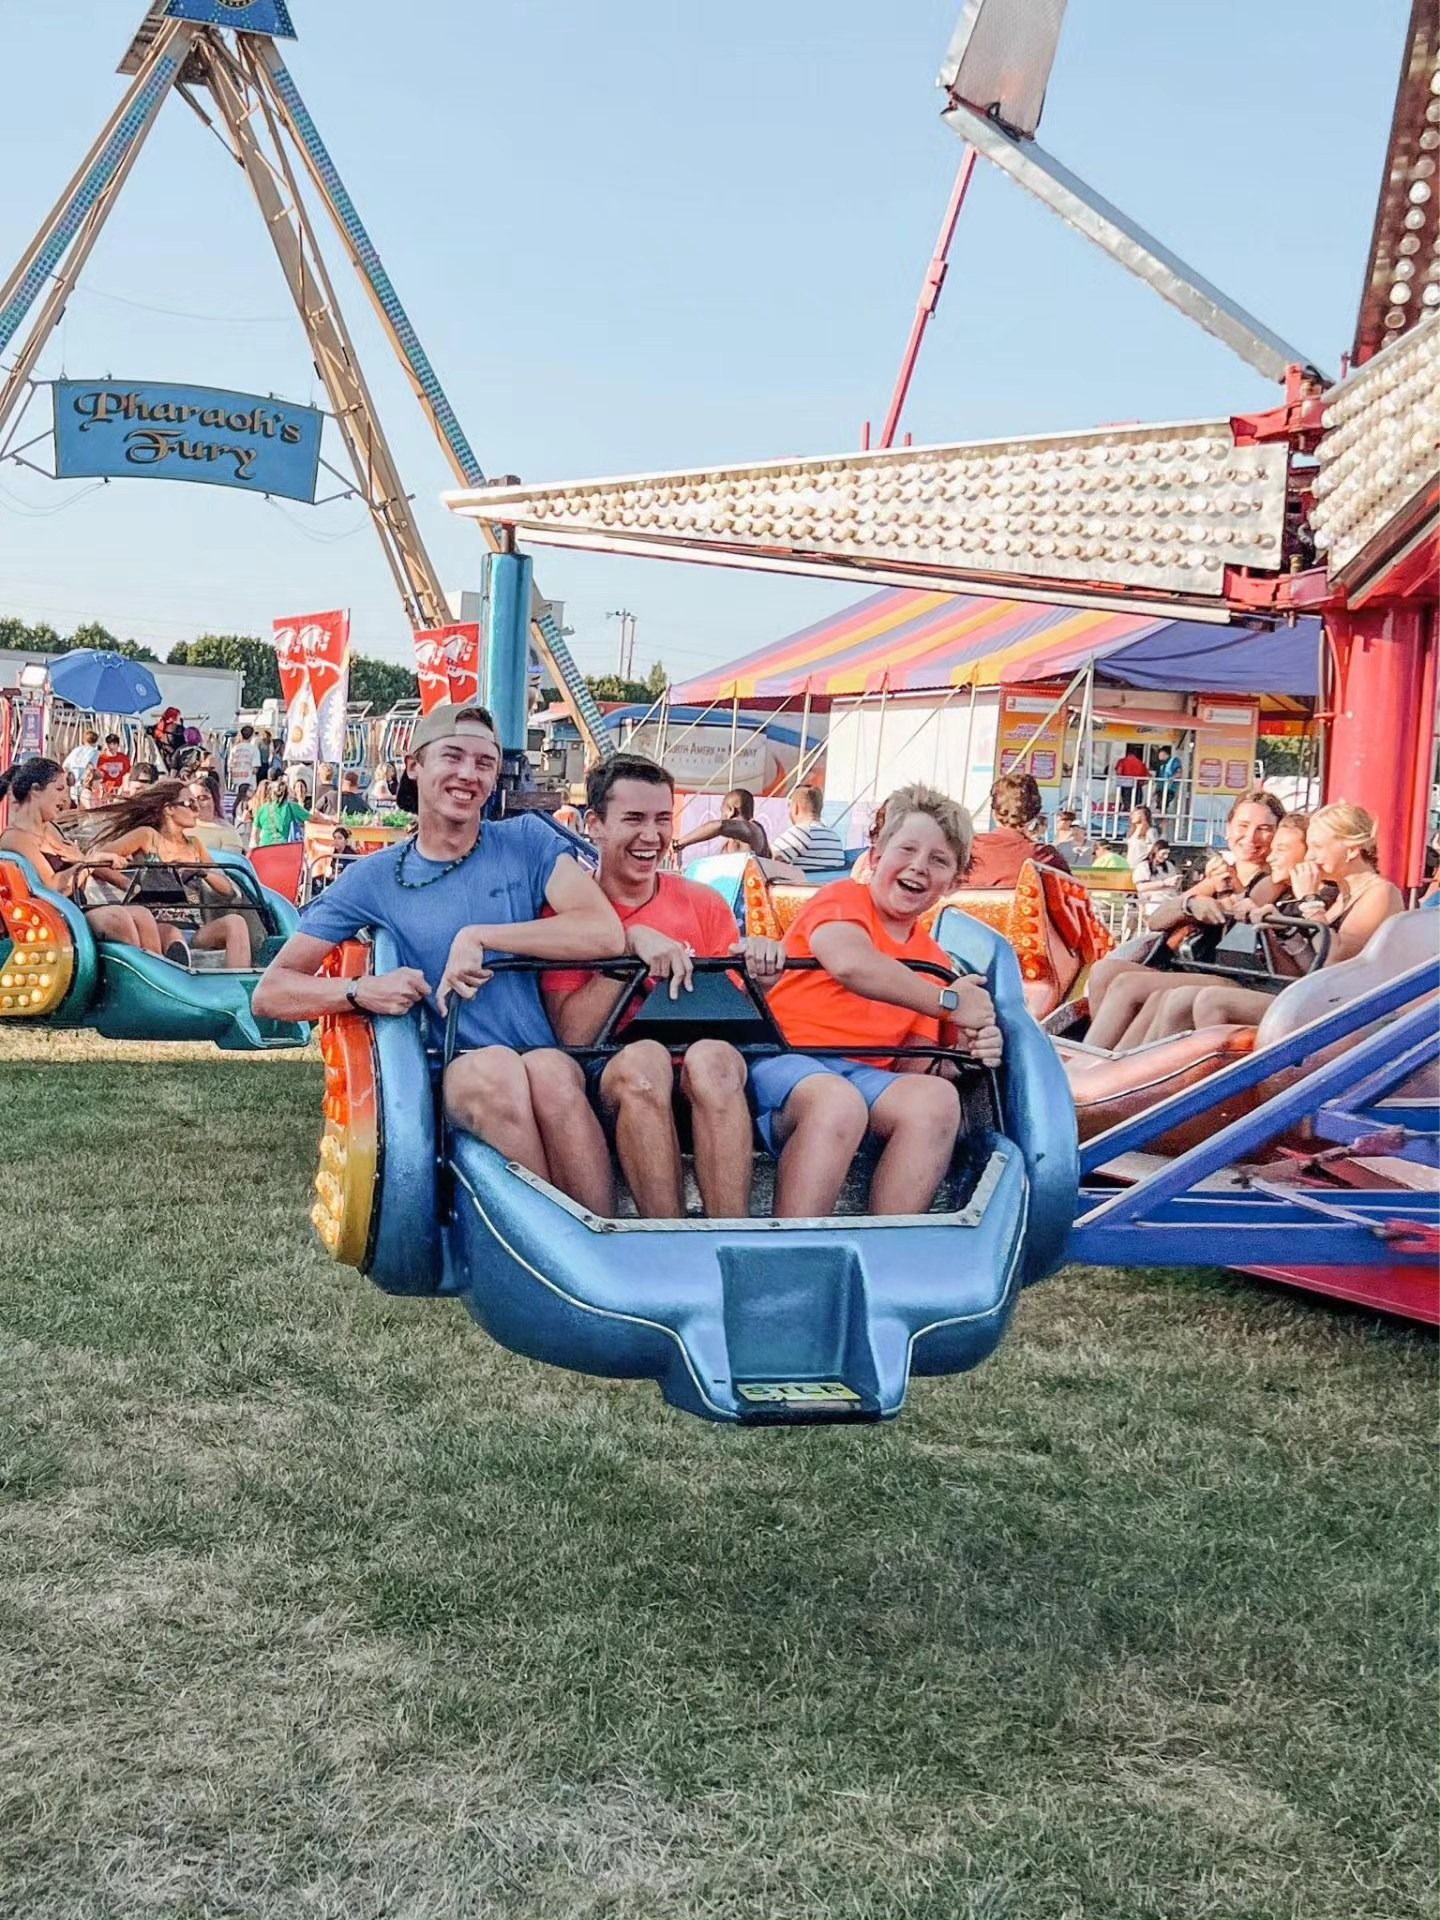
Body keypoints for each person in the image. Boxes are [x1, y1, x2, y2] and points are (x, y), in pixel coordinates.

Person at [252, 704, 625, 1211]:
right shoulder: (376, 876)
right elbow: (271, 993)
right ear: (414, 765)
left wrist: (480, 936)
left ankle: (599, 1245)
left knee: (553, 1075)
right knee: (498, 1075)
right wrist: (360, 992)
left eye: (484, 763)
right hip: (457, 1066)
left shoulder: (526, 840)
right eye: (453, 756)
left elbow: (603, 932)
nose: (468, 775)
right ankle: (558, 1248)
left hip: (546, 1059)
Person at [541, 754, 785, 1219]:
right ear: (595, 824)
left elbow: (733, 1016)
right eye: (633, 819)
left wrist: (762, 979)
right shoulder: (566, 915)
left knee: (712, 1058)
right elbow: (573, 1037)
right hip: (618, 1075)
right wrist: (625, 955)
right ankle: (664, 1237)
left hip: (706, 1074)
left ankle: (728, 1237)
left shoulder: (705, 903)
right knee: (644, 1060)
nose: (650, 837)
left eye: (662, 820)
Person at [753, 784, 1003, 1218]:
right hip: (785, 1058)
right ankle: (793, 1251)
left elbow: (912, 1065)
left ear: (953, 882)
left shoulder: (933, 959)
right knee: (835, 1100)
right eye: (906, 849)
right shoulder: (842, 899)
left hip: (862, 1078)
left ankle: (889, 1246)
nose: (919, 867)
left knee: (936, 1101)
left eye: (938, 860)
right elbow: (850, 962)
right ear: (876, 856)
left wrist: (967, 1050)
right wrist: (948, 1001)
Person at [1084, 789, 1285, 1050]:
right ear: (1228, 828)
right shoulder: (1220, 874)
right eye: (1243, 826)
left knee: (1128, 984)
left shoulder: (1274, 878)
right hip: (1198, 965)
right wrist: (1192, 903)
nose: (1251, 837)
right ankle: (1098, 1052)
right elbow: (1157, 919)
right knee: (1103, 971)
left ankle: (1099, 1064)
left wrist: (1222, 889)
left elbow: (1246, 906)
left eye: (1264, 829)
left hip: (1239, 975)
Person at [1177, 803, 1403, 1035]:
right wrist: (1283, 932)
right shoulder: (1342, 896)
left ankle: (1227, 1070)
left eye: (1317, 846)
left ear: (1352, 849)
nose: (1311, 856)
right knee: (1187, 998)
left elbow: (1334, 961)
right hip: (1317, 997)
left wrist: (1310, 899)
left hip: (1346, 1010)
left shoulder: (1380, 893)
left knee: (1212, 1001)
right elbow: (1311, 969)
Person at [0, 757, 163, 955]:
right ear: (35, 790)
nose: (65, 799)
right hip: (54, 918)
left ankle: (160, 978)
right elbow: (53, 887)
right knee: (117, 918)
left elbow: (81, 863)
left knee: (142, 915)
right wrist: (89, 862)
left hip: (75, 908)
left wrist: (122, 878)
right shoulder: (16, 837)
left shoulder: (51, 828)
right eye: (59, 789)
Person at [89, 781, 253, 968]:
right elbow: (97, 862)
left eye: (197, 804)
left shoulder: (195, 845)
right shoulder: (148, 836)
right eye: (190, 804)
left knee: (235, 923)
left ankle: (240, 988)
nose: (196, 810)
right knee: (172, 933)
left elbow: (227, 890)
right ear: (169, 809)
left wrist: (201, 872)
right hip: (154, 922)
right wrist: (128, 884)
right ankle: (176, 978)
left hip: (193, 926)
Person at [964, 772, 1071, 888]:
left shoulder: (968, 849)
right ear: (1034, 816)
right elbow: (1070, 897)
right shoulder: (1047, 858)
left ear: (994, 812)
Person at [673, 787, 772, 860]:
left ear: (731, 811)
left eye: (722, 811)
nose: (721, 815)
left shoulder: (753, 829)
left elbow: (719, 826)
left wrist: (679, 843)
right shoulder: (745, 834)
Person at [769, 784, 847, 874]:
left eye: (789, 805)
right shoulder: (835, 838)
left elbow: (767, 861)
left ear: (796, 808)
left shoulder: (800, 833)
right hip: (824, 886)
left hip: (801, 886)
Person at [186, 774, 245, 855]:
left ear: (215, 799)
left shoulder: (227, 831)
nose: (197, 804)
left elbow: (229, 864)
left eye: (202, 798)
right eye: (191, 799)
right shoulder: (180, 827)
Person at [251, 777, 309, 848]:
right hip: (285, 847)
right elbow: (313, 818)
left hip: (265, 848)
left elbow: (254, 835)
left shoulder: (262, 809)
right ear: (286, 793)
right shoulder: (291, 807)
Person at [62, 729, 100, 798]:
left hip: (72, 780)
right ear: (96, 741)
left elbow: (65, 766)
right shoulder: (95, 752)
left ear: (84, 740)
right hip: (84, 781)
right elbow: (92, 767)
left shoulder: (76, 749)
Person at [1125, 804, 1158, 873]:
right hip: (1130, 866)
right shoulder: (1132, 832)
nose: (1132, 816)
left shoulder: (1149, 831)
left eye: (1136, 814)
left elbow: (1153, 850)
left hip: (1141, 867)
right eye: (1132, 814)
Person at [228, 725, 262, 792]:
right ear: (252, 735)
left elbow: (230, 766)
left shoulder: (234, 749)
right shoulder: (254, 749)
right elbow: (255, 769)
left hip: (236, 783)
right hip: (249, 783)